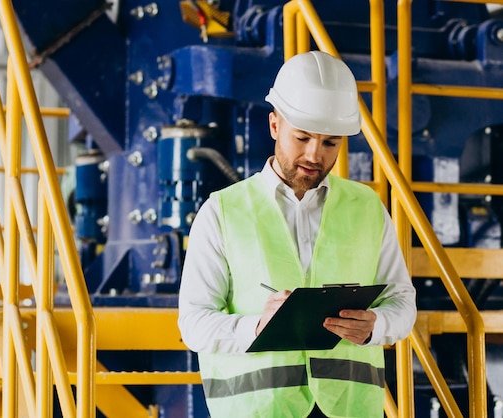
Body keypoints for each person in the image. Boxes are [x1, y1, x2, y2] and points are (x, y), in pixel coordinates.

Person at [177, 50, 417, 418]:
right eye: (302, 137)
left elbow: (402, 301)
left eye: (330, 143)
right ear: (274, 125)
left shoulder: (367, 207)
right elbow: (194, 324)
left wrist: (376, 326)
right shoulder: (222, 211)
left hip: (350, 410)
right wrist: (256, 326)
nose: (314, 155)